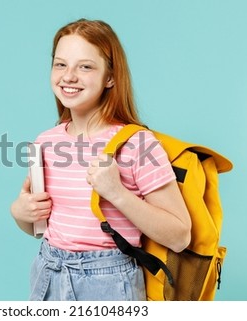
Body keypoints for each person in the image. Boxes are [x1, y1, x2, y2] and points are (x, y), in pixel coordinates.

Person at [10, 18, 191, 301]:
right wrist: (21, 214)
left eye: (85, 66)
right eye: (60, 64)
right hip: (48, 272)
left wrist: (117, 193)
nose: (68, 76)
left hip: (108, 283)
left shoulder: (137, 144)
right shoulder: (46, 141)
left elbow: (179, 236)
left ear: (110, 77)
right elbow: (41, 228)